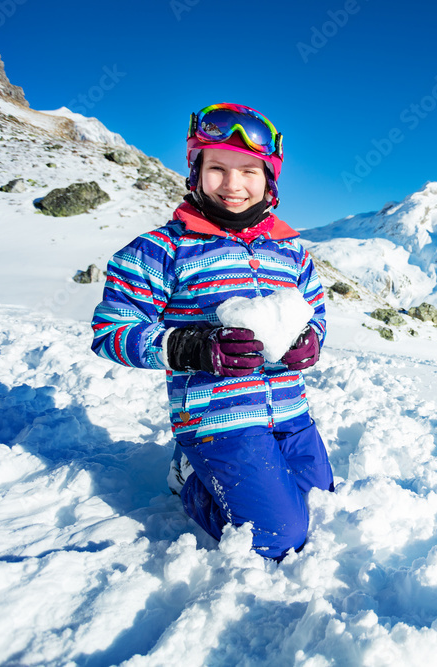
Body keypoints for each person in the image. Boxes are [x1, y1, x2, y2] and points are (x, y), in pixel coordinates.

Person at [91, 103, 333, 560]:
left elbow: (317, 314)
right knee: (278, 538)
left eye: (249, 171)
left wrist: (311, 339)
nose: (233, 184)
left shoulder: (293, 254)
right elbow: (110, 330)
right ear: (195, 172)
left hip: (291, 413)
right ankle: (190, 478)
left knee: (323, 507)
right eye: (217, 168)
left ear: (269, 180)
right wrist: (188, 346)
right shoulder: (162, 249)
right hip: (219, 422)